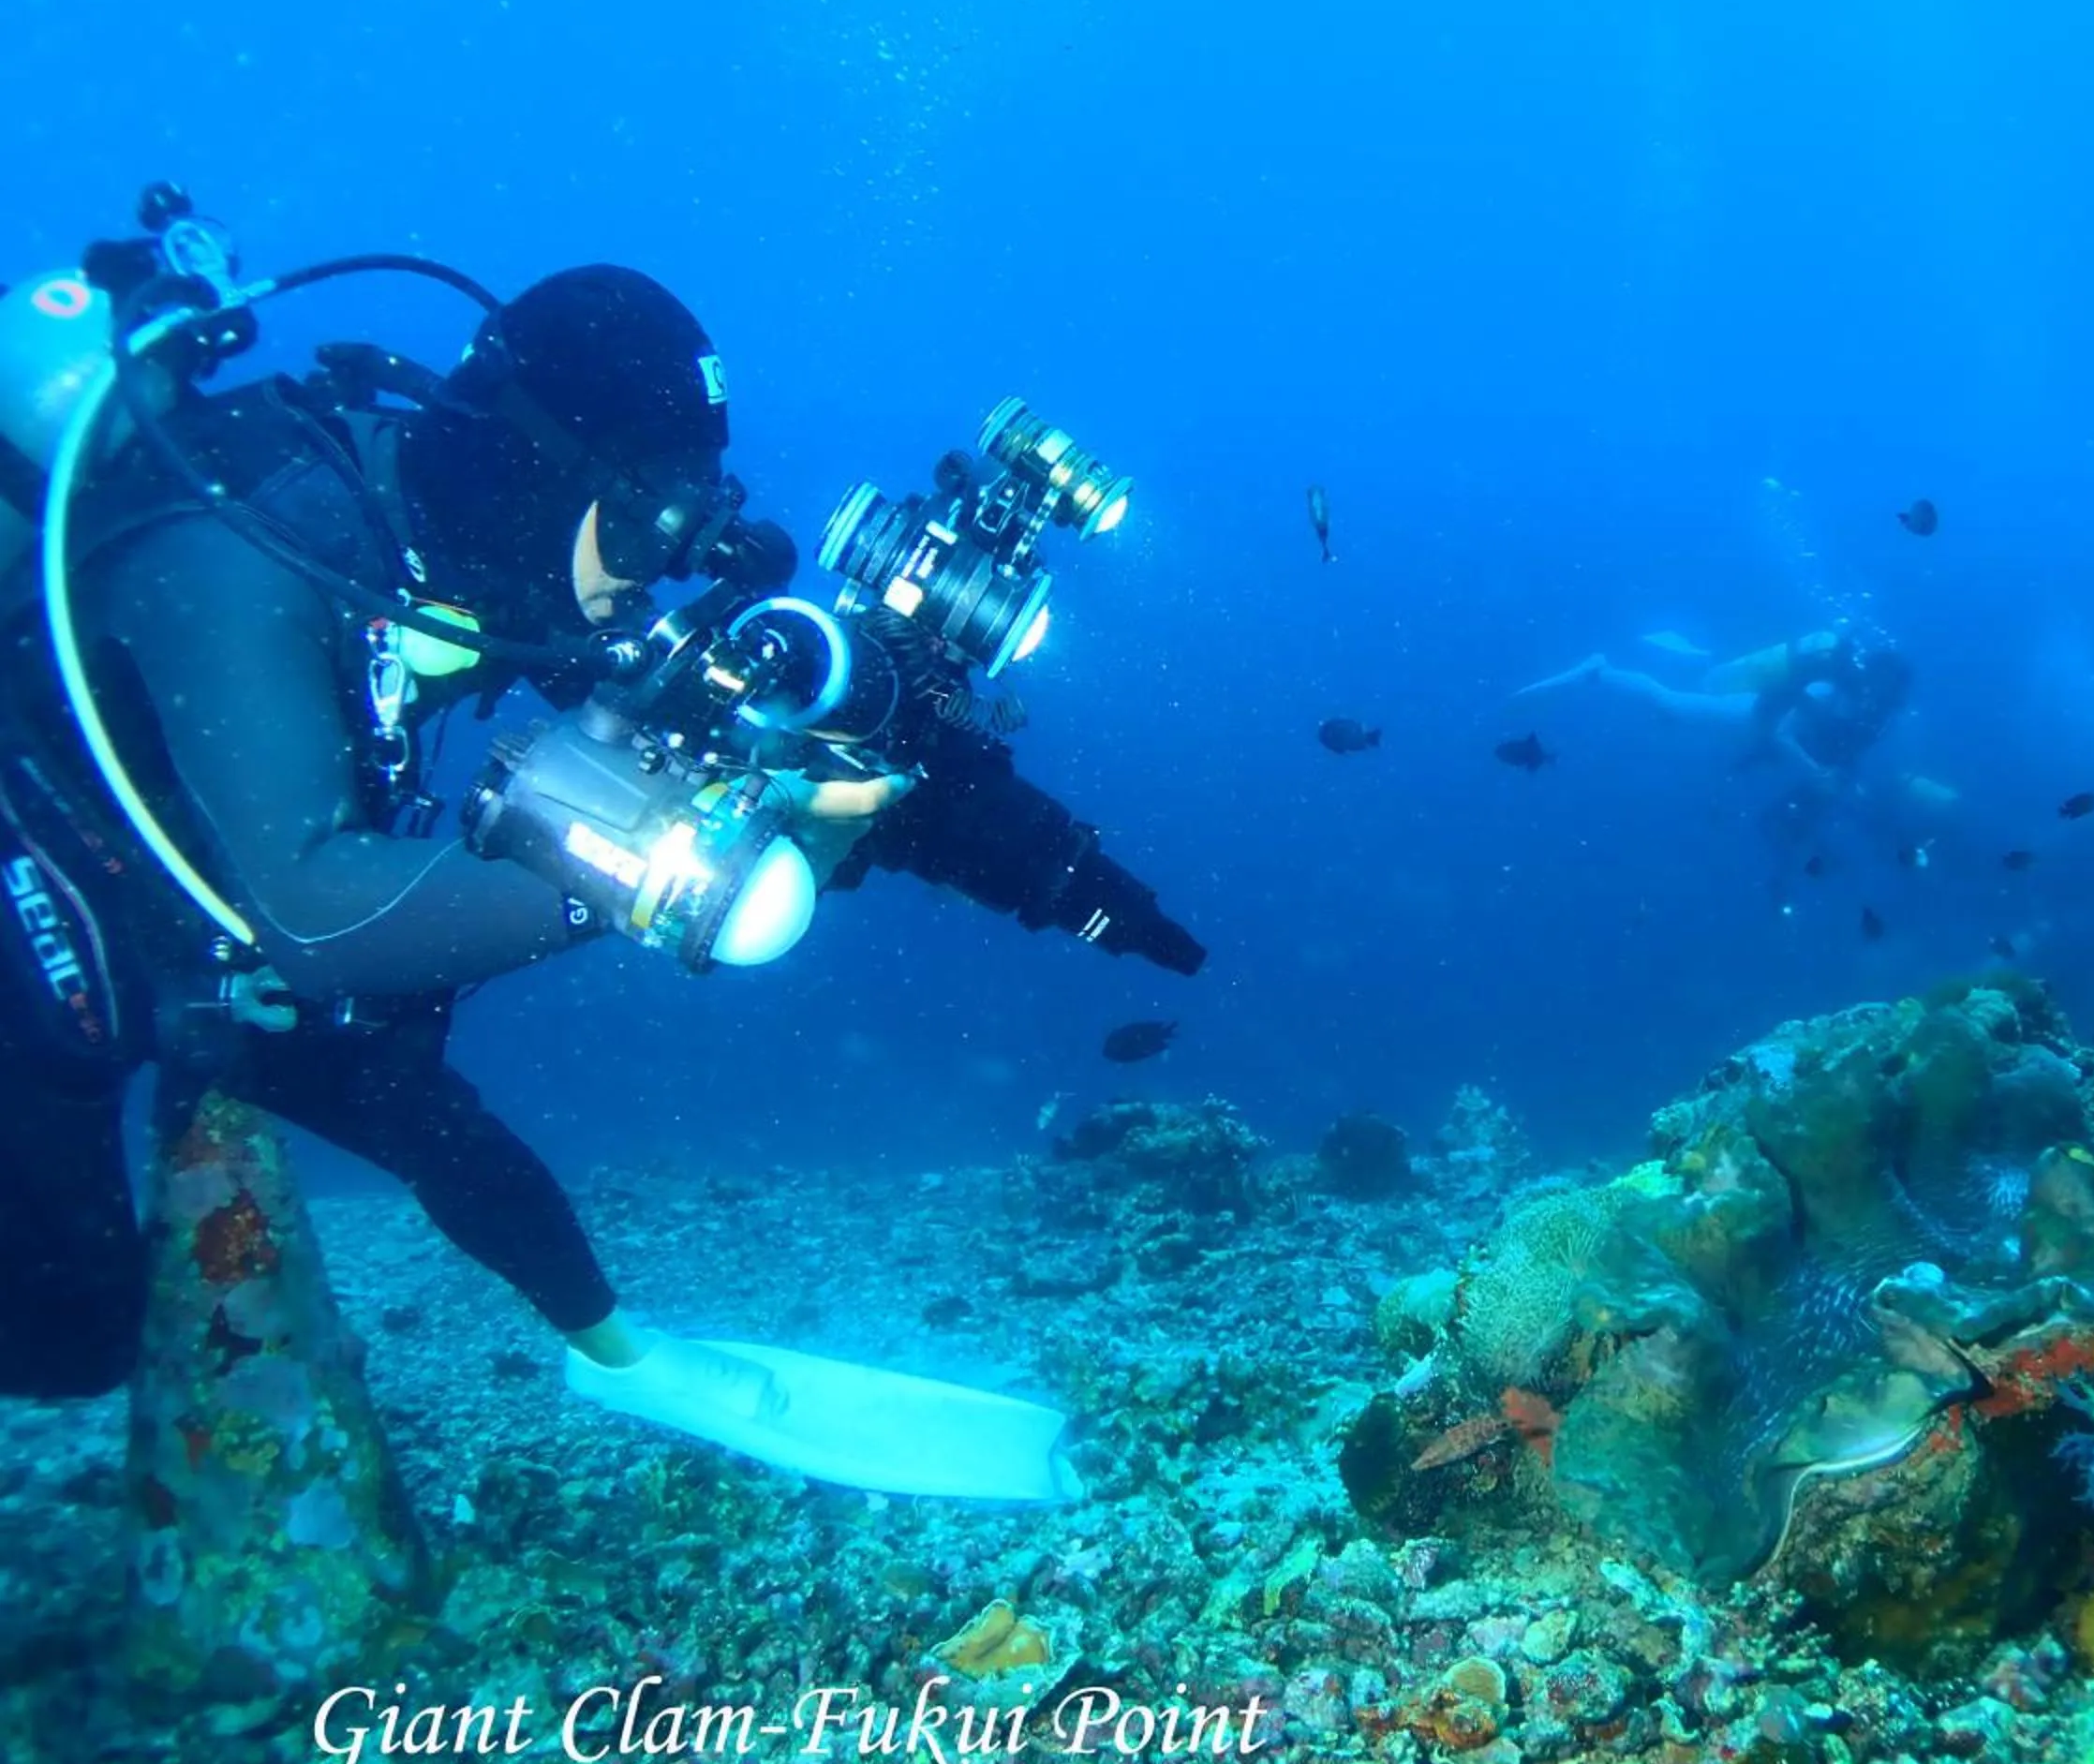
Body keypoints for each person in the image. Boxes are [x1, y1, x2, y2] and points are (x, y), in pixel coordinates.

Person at [0, 245, 1201, 1438]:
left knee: (391, 1084)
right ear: (532, 469)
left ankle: (625, 1360)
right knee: (70, 1326)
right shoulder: (236, 552)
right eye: (643, 523)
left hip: (184, 921)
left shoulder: (481, 567)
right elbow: (316, 912)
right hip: (45, 901)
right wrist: (667, 879)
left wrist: (1050, 870)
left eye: (682, 532)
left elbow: (745, 747)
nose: (654, 576)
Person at [1515, 627, 1917, 870]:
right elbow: (1782, 733)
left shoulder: (1855, 701)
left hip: (1754, 726)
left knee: (1682, 718)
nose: (1885, 700)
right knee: (1671, 703)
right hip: (1751, 717)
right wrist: (1814, 773)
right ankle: (1600, 670)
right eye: (1886, 689)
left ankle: (1692, 658)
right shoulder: (1831, 689)